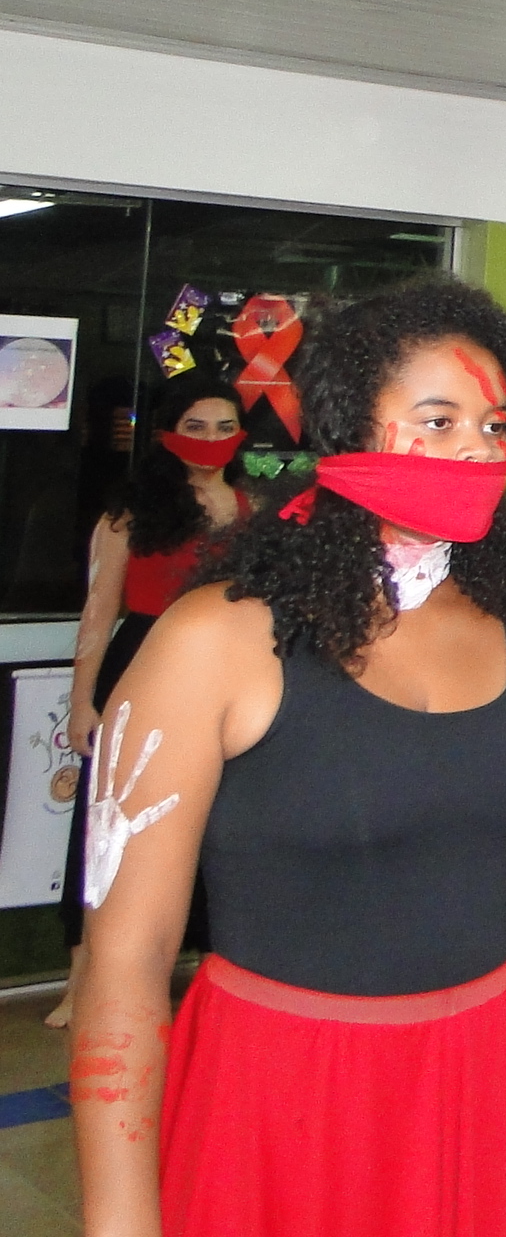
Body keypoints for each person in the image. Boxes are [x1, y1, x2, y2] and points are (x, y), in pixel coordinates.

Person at [71, 276, 506, 1237]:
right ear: (346, 430)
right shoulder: (216, 641)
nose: (480, 449)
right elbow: (125, 962)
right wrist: (119, 1216)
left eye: (495, 425)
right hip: (283, 1101)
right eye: (439, 420)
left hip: (499, 1084)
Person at [51, 375, 249, 1029]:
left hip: (224, 677)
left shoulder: (255, 512)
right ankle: (84, 981)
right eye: (197, 426)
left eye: (225, 428)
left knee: (216, 827)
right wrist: (83, 702)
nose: (212, 440)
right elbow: (98, 609)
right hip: (138, 667)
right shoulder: (129, 513)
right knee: (110, 825)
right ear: (167, 432)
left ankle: (210, 979)